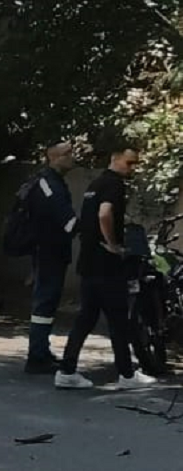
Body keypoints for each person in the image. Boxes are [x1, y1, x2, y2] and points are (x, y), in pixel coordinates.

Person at [55, 144, 157, 390]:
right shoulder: (113, 184)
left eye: (135, 164)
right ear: (115, 158)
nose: (132, 168)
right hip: (106, 265)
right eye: (129, 162)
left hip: (88, 263)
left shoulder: (95, 184)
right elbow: (104, 214)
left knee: (86, 318)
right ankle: (127, 375)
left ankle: (66, 370)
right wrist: (113, 244)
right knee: (119, 319)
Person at [23, 141, 79, 374]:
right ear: (53, 157)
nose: (72, 157)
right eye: (67, 154)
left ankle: (41, 351)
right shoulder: (47, 184)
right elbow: (65, 220)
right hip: (49, 251)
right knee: (44, 303)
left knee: (47, 302)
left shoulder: (53, 181)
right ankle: (37, 356)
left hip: (52, 250)